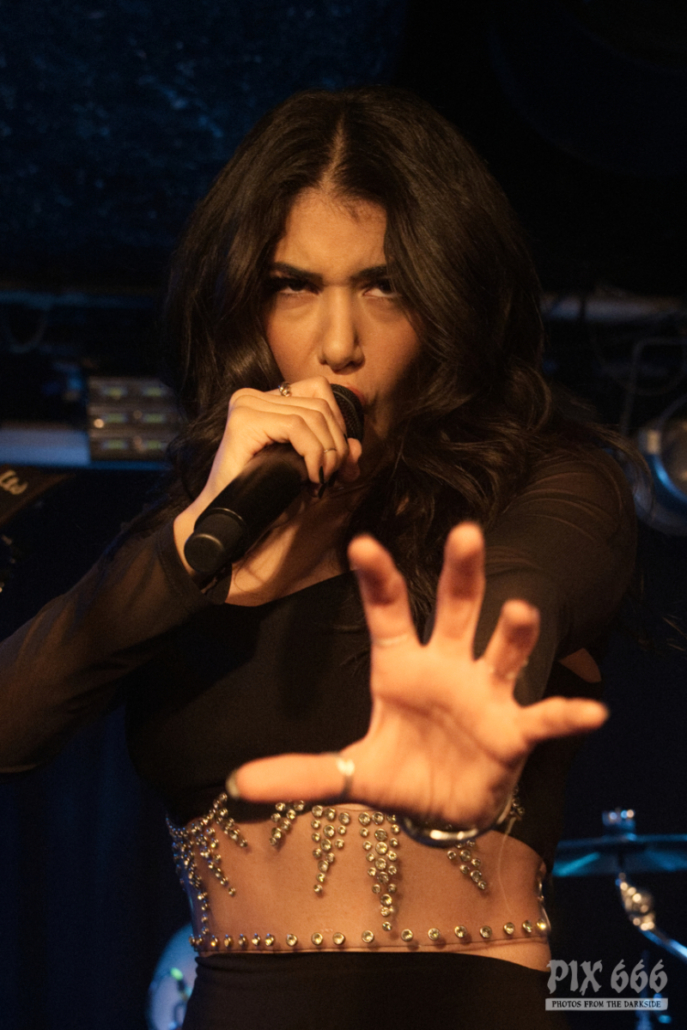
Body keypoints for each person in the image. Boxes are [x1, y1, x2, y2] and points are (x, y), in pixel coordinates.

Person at [0, 86, 636, 1028]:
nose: (337, 345)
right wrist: (192, 544)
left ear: (450, 296)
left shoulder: (547, 487)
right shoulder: (196, 540)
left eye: (385, 285)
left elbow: (518, 596)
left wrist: (463, 707)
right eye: (293, 286)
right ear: (244, 307)